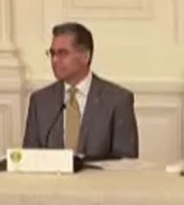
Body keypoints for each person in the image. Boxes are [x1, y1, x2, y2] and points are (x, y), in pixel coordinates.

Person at [22, 22, 139, 159]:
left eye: (63, 53)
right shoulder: (40, 101)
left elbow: (126, 161)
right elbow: (29, 158)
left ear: (85, 56)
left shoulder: (117, 101)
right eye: (52, 53)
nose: (54, 60)